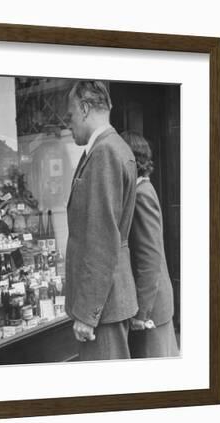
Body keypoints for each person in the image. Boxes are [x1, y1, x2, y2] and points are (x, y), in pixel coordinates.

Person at [64, 80, 138, 361]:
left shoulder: (104, 152)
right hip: (108, 301)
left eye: (70, 116)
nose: (68, 124)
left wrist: (87, 314)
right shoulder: (113, 147)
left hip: (103, 307)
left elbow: (101, 238)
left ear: (84, 109)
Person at [121, 131, 179, 358]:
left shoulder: (141, 194)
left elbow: (150, 258)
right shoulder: (140, 190)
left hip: (151, 310)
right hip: (153, 306)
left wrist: (141, 313)